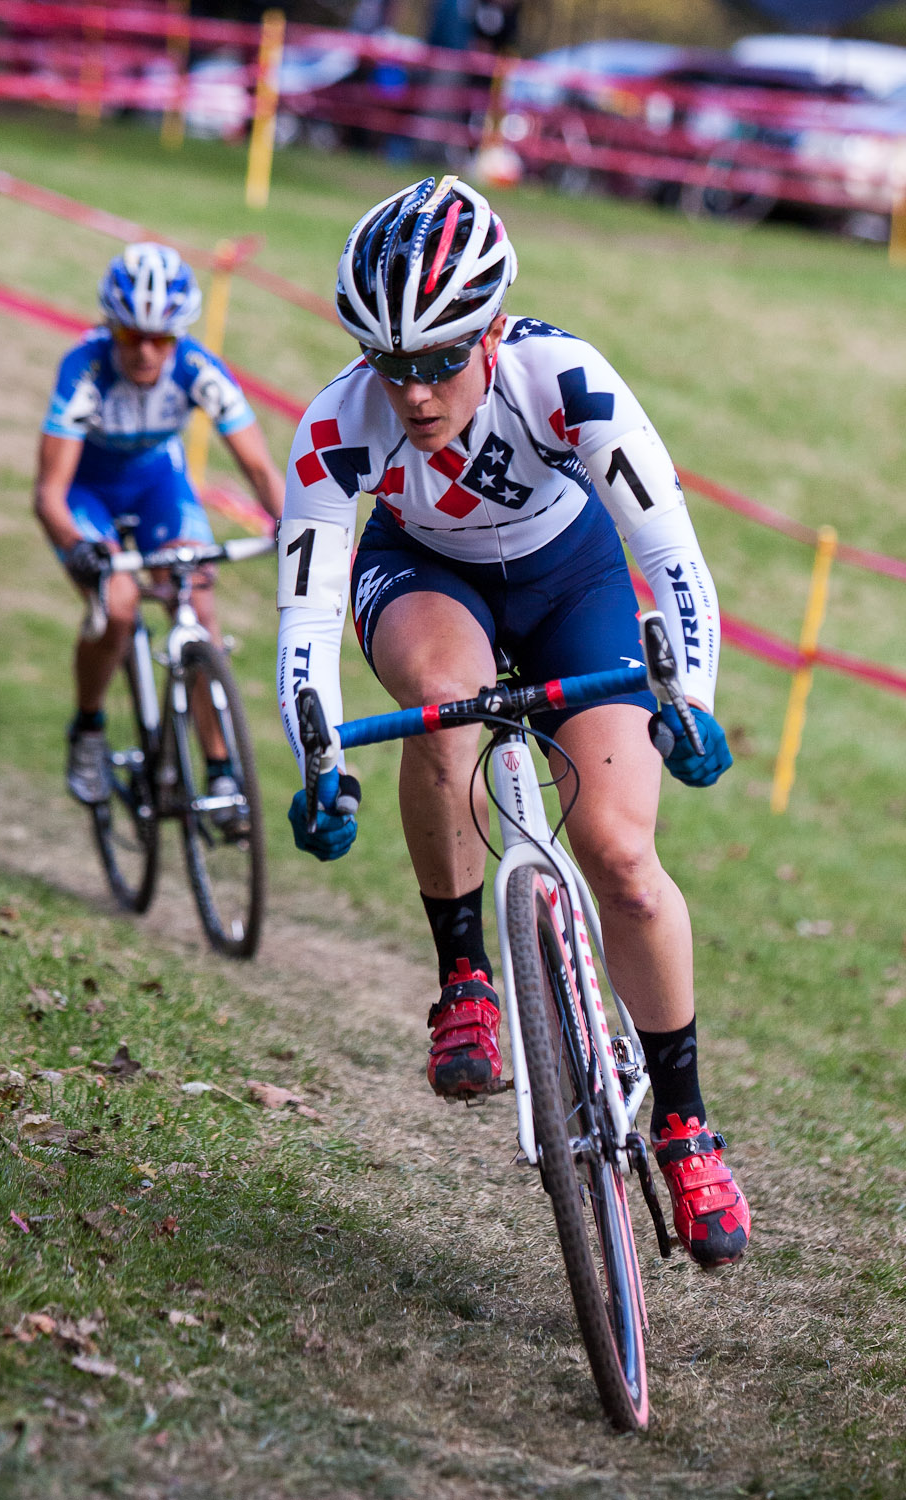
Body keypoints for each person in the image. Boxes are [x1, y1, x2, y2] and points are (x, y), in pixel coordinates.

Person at [276, 176, 750, 1267]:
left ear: (492, 330)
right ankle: (465, 982)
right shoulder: (336, 428)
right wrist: (315, 755)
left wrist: (692, 702)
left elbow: (669, 553)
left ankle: (683, 1121)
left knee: (622, 856)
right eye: (390, 365)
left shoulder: (566, 381)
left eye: (441, 359)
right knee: (441, 707)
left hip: (572, 581)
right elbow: (303, 612)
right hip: (424, 576)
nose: (415, 393)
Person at [33, 242, 284, 818]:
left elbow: (259, 468)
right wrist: (78, 549)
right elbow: (49, 493)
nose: (146, 352)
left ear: (180, 336)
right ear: (109, 329)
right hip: (85, 494)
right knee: (118, 605)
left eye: (162, 339)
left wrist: (294, 530)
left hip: (156, 487)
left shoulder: (197, 368)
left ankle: (221, 771)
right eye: (130, 336)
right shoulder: (85, 370)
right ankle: (89, 728)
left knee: (195, 597)